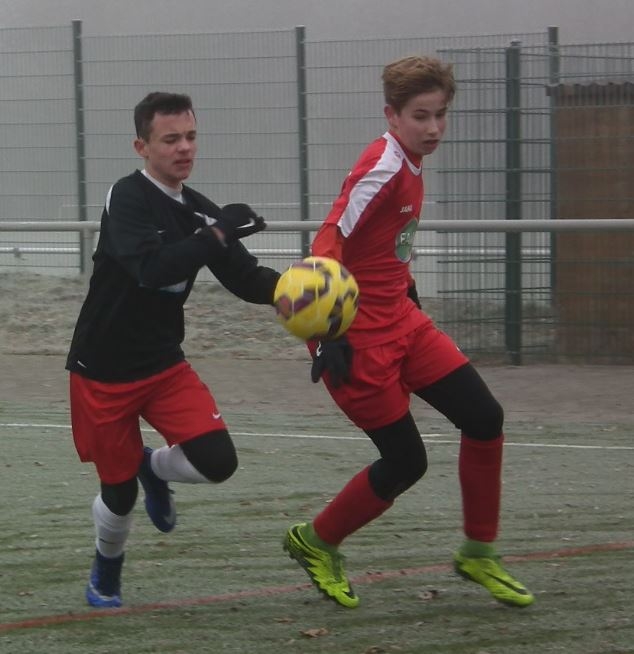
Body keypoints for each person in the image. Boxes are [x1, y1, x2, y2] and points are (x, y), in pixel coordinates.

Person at [282, 55, 534, 608]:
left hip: (404, 323)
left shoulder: (411, 163)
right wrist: (328, 333)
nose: (434, 128)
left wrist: (409, 294)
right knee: (406, 462)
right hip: (360, 343)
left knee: (484, 418)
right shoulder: (382, 166)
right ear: (392, 116)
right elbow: (330, 236)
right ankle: (316, 540)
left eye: (440, 115)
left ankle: (479, 552)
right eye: (421, 116)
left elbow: (384, 247)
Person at [67, 91, 280, 608]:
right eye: (170, 139)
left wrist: (304, 290)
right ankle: (107, 567)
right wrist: (219, 232)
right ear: (142, 146)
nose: (184, 148)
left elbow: (246, 278)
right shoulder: (128, 197)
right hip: (103, 371)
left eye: (190, 137)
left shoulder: (200, 212)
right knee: (120, 497)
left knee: (218, 462)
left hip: (163, 364)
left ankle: (153, 466)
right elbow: (152, 269)